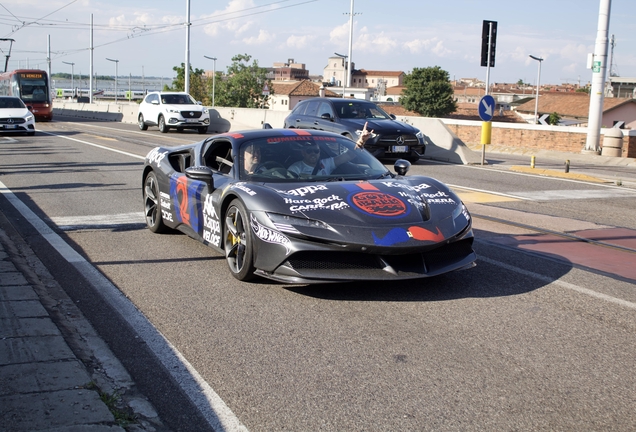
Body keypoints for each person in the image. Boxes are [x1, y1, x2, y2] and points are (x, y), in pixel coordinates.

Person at [288, 122, 374, 176]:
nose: (313, 153)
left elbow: (349, 155)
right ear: (303, 153)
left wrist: (361, 141)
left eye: (316, 151)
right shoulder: (295, 168)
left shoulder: (326, 163)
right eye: (309, 151)